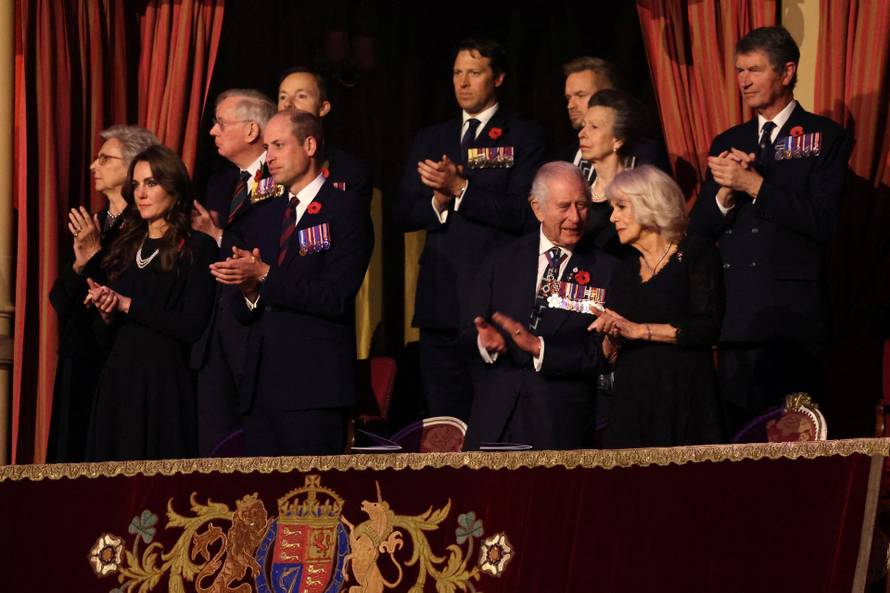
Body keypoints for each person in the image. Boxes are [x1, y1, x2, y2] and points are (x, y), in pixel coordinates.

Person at [688, 26, 852, 434]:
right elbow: (699, 230)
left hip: (793, 323)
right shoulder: (728, 140)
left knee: (795, 443)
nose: (743, 80)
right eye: (739, 70)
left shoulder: (824, 137)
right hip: (736, 319)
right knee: (739, 443)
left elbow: (823, 221)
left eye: (755, 70)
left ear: (787, 72)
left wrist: (754, 185)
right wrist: (725, 193)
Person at [397, 37, 547, 421]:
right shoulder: (432, 137)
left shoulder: (523, 136)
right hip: (441, 304)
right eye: (457, 73)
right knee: (444, 423)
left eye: (474, 73)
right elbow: (403, 213)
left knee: (495, 420)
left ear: (498, 78)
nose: (462, 82)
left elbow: (524, 214)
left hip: (496, 303)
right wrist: (438, 201)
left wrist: (462, 189)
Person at [210, 110, 373, 456]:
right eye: (267, 148)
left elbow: (335, 297)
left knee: (313, 490)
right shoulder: (263, 215)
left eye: (279, 146)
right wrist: (249, 291)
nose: (269, 158)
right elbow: (243, 308)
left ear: (309, 145)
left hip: (314, 388)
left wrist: (265, 275)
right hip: (261, 386)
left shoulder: (345, 209)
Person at [463, 162, 617, 450]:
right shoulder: (501, 259)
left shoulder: (607, 270)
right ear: (537, 208)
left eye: (582, 206)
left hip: (559, 424)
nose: (575, 217)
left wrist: (540, 349)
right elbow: (467, 329)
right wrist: (484, 342)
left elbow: (601, 352)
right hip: (494, 420)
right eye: (564, 206)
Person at [84, 145, 218, 461]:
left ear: (174, 187)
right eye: (136, 185)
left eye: (151, 183)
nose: (141, 194)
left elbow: (192, 326)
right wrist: (105, 311)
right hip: (118, 381)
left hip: (164, 385)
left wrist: (127, 305)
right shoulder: (125, 247)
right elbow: (103, 337)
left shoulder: (198, 247)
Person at [590, 165, 725, 448]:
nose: (612, 217)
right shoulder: (623, 271)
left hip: (685, 396)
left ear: (650, 204)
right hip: (632, 404)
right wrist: (611, 335)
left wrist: (640, 331)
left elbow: (707, 327)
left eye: (621, 207)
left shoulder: (696, 254)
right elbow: (610, 353)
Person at [47, 125, 159, 462]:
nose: (93, 166)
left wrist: (95, 255)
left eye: (104, 159)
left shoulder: (145, 225)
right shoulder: (93, 222)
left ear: (132, 166)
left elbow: (125, 292)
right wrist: (80, 264)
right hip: (76, 355)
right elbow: (59, 299)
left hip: (111, 358)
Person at [190, 88, 276, 456]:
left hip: (258, 327)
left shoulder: (282, 175)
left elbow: (266, 249)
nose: (213, 131)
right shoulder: (221, 183)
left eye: (221, 123)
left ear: (252, 130)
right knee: (215, 446)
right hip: (215, 329)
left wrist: (218, 236)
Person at [562, 58, 670, 183]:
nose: (570, 105)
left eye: (580, 95)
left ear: (608, 94)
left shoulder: (645, 155)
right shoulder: (569, 154)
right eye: (568, 98)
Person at [276, 65, 371, 205]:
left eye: (301, 96)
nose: (288, 104)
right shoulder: (267, 166)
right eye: (283, 97)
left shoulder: (348, 170)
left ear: (323, 108)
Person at [577, 89, 655, 254]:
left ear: (618, 140)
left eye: (594, 127)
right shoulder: (579, 193)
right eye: (584, 126)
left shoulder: (638, 194)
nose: (582, 134)